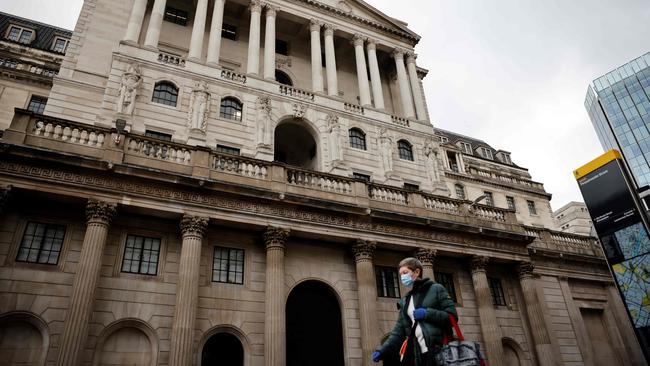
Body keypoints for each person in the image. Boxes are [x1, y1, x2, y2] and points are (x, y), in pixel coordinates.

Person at [372, 257, 458, 366]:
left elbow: (452, 317)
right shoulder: (405, 301)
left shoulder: (436, 289)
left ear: (417, 272)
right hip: (418, 354)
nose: (403, 277)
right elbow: (398, 332)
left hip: (439, 350)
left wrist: (427, 313)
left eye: (405, 272)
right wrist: (382, 351)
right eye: (401, 274)